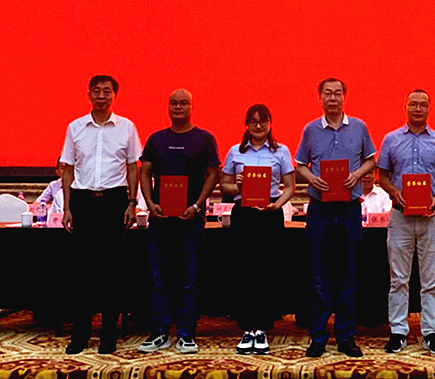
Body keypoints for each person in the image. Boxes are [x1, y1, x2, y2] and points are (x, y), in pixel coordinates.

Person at [60, 75, 142, 355]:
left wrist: (132, 202)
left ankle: (108, 335)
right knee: (82, 272)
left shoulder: (126, 127)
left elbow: (132, 168)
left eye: (107, 91)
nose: (102, 96)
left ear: (114, 96)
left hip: (114, 202)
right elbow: (68, 169)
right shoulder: (75, 128)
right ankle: (80, 335)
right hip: (83, 201)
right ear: (89, 94)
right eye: (97, 91)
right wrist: (67, 207)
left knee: (112, 272)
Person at [295, 78, 376, 358]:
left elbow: (371, 159)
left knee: (348, 276)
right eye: (327, 93)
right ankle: (318, 337)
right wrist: (312, 179)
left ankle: (345, 336)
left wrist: (358, 174)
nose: (333, 98)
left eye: (337, 93)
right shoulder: (311, 130)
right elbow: (300, 164)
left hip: (349, 210)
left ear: (344, 97)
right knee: (319, 276)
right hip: (320, 210)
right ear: (320, 98)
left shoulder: (359, 127)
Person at [137, 90, 220, 354]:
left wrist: (197, 205)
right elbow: (145, 172)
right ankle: (159, 333)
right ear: (168, 107)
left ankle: (186, 334)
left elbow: (213, 173)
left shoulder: (204, 139)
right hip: (160, 220)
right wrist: (150, 203)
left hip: (191, 221)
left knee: (189, 280)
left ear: (192, 107)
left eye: (184, 103)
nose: (178, 107)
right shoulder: (156, 139)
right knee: (158, 281)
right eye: (173, 103)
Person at [377, 89, 435, 355]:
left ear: (429, 108)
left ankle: (430, 332)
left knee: (431, 279)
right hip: (400, 216)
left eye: (423, 105)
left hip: (431, 218)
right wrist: (393, 191)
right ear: (406, 107)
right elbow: (382, 176)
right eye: (413, 104)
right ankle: (398, 331)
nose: (418, 109)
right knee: (398, 278)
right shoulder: (391, 139)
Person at [220, 104, 296, 355]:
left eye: (263, 121)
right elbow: (224, 186)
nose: (258, 125)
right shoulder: (235, 151)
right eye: (253, 121)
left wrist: (277, 205)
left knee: (267, 270)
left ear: (270, 123)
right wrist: (238, 186)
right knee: (243, 270)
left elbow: (290, 186)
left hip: (269, 215)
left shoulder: (281, 151)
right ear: (247, 124)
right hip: (244, 215)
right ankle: (246, 328)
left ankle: (262, 327)